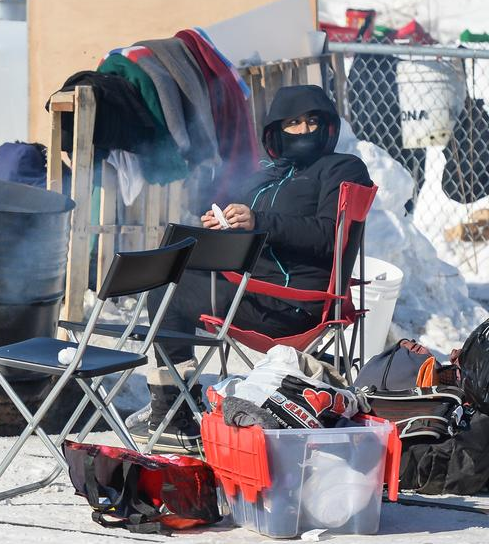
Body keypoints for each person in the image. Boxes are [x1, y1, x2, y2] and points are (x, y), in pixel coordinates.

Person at [129, 85, 373, 451]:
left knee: (168, 292)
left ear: (328, 126)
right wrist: (223, 228)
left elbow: (330, 236)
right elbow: (253, 234)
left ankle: (172, 414)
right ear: (277, 130)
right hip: (253, 290)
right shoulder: (265, 175)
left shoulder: (342, 168)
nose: (305, 130)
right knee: (172, 271)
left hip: (293, 303)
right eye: (293, 123)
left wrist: (259, 221)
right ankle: (177, 404)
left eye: (313, 121)